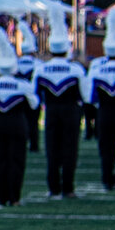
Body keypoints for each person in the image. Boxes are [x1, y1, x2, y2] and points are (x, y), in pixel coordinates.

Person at [0, 36, 37, 207]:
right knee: (16, 161)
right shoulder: (23, 85)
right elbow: (34, 105)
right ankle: (14, 197)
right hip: (17, 123)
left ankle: (0, 197)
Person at [35, 19, 85, 199]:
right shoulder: (75, 69)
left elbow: (35, 97)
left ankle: (53, 187)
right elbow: (85, 95)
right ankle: (68, 188)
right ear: (66, 49)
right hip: (71, 111)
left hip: (51, 111)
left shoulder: (42, 69)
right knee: (70, 149)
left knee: (52, 148)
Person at [88, 27, 115, 190]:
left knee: (105, 148)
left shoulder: (96, 71)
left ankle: (107, 180)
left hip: (104, 113)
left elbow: (90, 98)